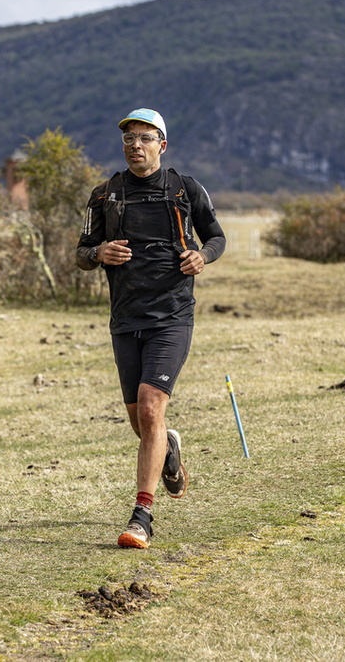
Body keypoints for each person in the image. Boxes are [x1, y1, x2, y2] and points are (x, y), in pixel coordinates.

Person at [76, 108, 226, 549]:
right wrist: (99, 252)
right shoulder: (106, 195)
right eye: (128, 140)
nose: (134, 146)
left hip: (172, 315)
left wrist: (204, 256)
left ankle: (142, 516)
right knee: (141, 421)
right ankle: (169, 452)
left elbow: (216, 236)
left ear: (162, 144)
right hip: (125, 318)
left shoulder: (185, 188)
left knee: (150, 405)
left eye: (144, 138)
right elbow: (81, 252)